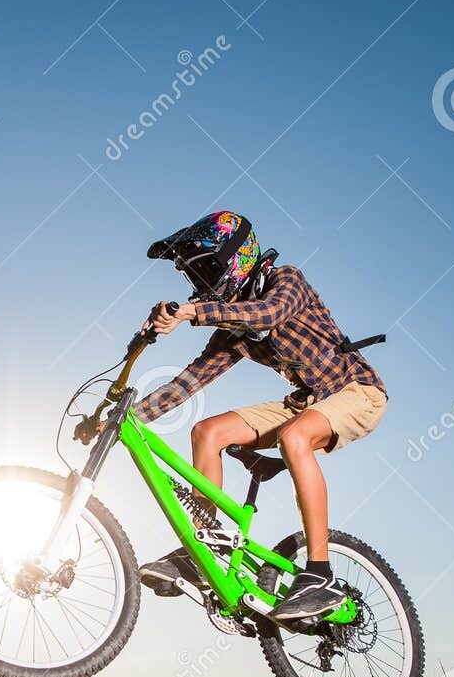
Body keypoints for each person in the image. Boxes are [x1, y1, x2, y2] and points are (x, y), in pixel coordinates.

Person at [132, 211, 387, 621]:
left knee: (294, 437)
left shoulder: (287, 280)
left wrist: (188, 313)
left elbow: (269, 313)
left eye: (208, 273)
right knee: (207, 431)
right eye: (196, 281)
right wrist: (127, 417)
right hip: (305, 401)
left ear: (236, 259)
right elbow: (190, 381)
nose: (202, 287)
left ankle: (320, 574)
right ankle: (205, 547)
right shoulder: (233, 327)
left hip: (356, 392)